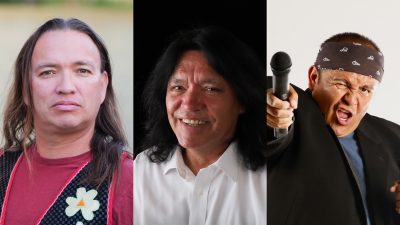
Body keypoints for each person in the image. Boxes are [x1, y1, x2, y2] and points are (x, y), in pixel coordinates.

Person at [0, 18, 133, 225]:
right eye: (48, 72)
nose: (66, 87)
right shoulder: (2, 167)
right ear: (26, 89)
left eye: (82, 71)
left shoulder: (130, 181)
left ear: (103, 86)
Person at [134, 27, 267, 225]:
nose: (189, 103)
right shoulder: (141, 170)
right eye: (178, 87)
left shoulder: (270, 180)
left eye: (210, 89)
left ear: (242, 100)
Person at [267, 32, 400, 225]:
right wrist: (273, 113)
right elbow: (268, 122)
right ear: (313, 77)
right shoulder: (294, 113)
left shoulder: (393, 137)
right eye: (342, 83)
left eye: (365, 90)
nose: (352, 100)